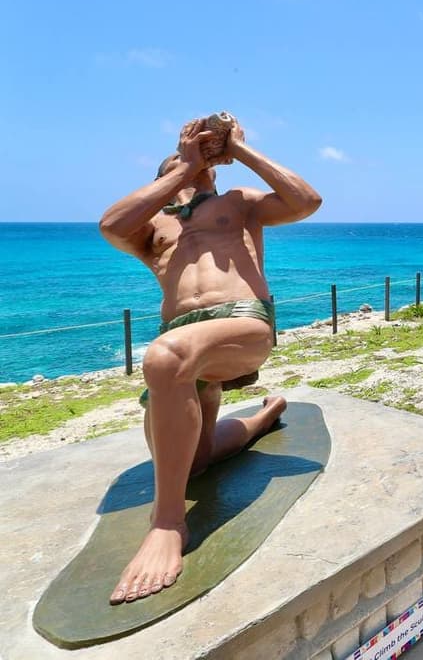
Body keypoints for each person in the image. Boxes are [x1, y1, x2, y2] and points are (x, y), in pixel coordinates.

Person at [98, 115, 322, 604]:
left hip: (240, 323)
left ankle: (167, 524)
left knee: (164, 356)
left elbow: (306, 201)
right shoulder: (149, 227)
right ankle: (264, 416)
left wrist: (239, 151)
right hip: (181, 344)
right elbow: (110, 225)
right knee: (189, 463)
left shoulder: (237, 204)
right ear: (167, 174)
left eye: (209, 165)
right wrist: (184, 168)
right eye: (188, 161)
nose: (204, 169)